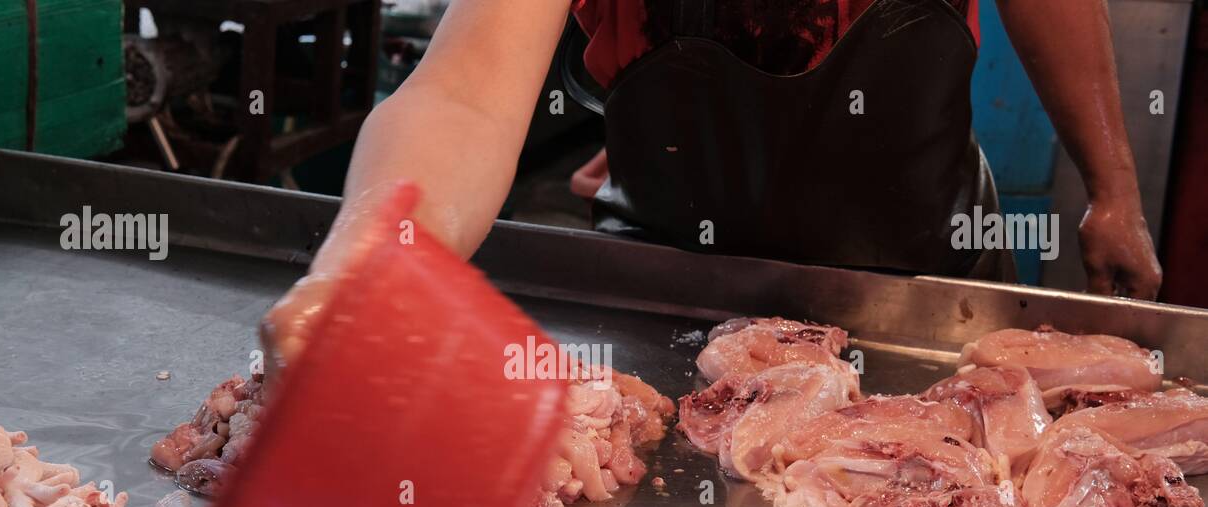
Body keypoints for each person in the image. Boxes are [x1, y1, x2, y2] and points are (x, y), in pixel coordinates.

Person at [262, 0, 1162, 370]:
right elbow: (463, 94)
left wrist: (1112, 186)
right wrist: (378, 252)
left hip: (921, 304)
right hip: (662, 308)